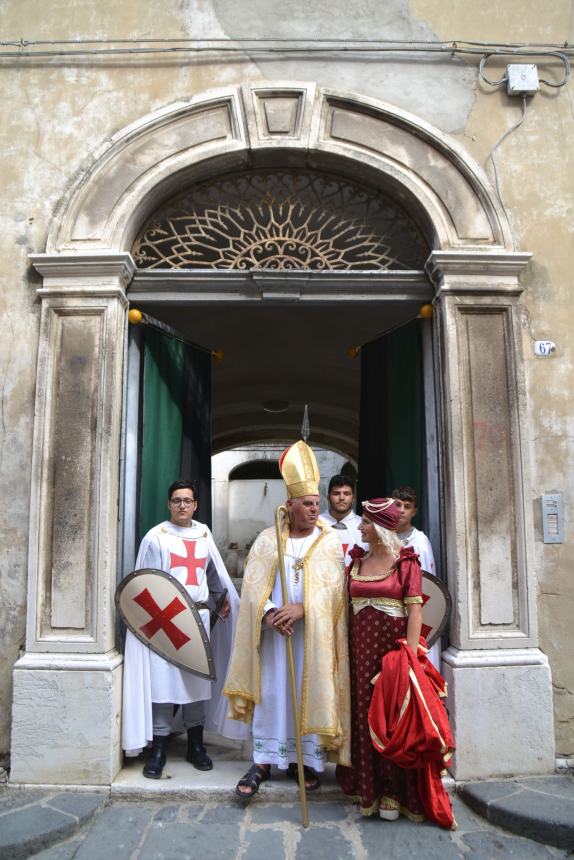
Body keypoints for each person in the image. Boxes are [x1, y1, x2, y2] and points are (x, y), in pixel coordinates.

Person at [224, 441, 351, 799]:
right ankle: (262, 761)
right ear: (289, 506)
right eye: (307, 505)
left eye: (316, 504)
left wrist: (303, 609)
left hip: (310, 636)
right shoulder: (268, 541)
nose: (315, 510)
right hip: (274, 636)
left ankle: (302, 760)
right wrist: (268, 613)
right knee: (272, 692)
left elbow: (336, 590)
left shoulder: (329, 542)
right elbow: (251, 587)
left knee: (305, 691)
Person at [122, 479, 247, 779]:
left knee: (197, 682)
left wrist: (221, 599)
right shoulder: (156, 537)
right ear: (169, 504)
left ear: (195, 504)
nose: (182, 505)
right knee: (164, 684)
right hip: (166, 621)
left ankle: (196, 746)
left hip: (198, 619)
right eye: (176, 500)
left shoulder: (203, 533)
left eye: (187, 501)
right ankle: (160, 748)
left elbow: (214, 574)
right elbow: (145, 582)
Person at [336, 498, 426, 820]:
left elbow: (415, 612)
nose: (358, 528)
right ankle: (369, 786)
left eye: (364, 523)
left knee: (391, 718)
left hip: (393, 651)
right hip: (360, 652)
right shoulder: (357, 561)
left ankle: (393, 790)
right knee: (364, 713)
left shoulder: (406, 562)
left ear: (378, 527)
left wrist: (410, 656)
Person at [392, 485, 441, 671]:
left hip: (412, 610)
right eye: (397, 505)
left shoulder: (419, 541)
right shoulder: (382, 538)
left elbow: (428, 586)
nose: (402, 510)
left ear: (414, 511)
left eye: (407, 506)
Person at [320, 474, 365, 566]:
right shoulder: (316, 523)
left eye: (347, 493)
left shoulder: (364, 525)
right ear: (328, 498)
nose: (341, 498)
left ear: (353, 498)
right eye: (336, 493)